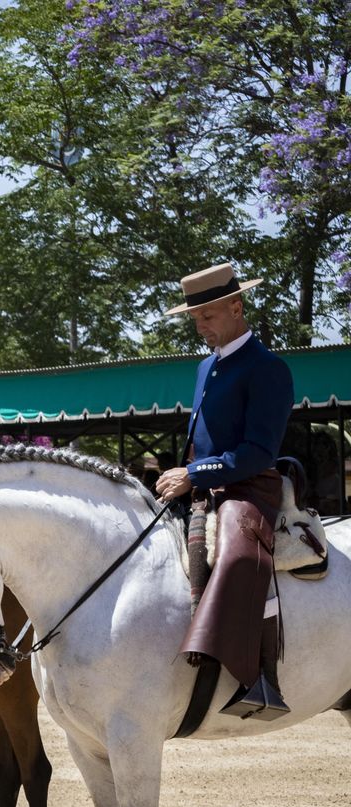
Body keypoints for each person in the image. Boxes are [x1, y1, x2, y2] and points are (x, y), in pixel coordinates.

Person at [154, 262, 294, 718]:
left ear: (236, 306)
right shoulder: (204, 368)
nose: (200, 326)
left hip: (251, 484)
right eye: (195, 318)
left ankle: (263, 678)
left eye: (208, 316)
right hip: (204, 482)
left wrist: (196, 474)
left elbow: (258, 450)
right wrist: (185, 474)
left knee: (237, 553)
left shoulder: (267, 368)